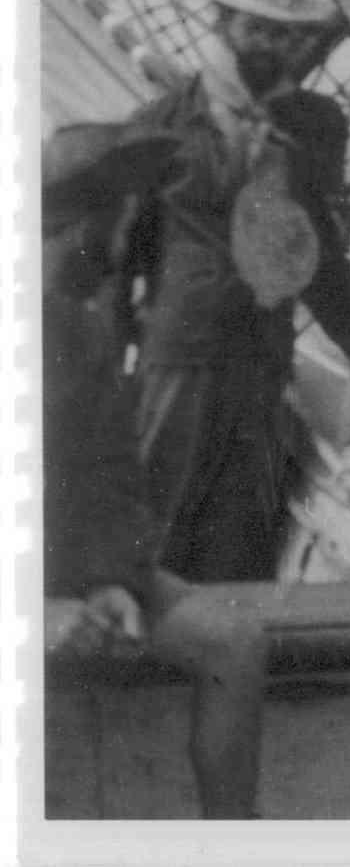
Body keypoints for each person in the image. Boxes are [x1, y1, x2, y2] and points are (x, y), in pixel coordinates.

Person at [107, 0, 350, 583]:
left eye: (285, 31)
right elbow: (114, 258)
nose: (271, 43)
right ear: (222, 21)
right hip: (179, 365)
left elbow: (316, 256)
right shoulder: (161, 126)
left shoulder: (305, 132)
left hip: (260, 367)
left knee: (240, 550)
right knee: (150, 539)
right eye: (257, 28)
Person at [42, 123, 267, 818]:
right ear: (73, 221)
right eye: (115, 212)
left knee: (235, 639)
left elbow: (112, 476)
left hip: (66, 569)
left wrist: (111, 579)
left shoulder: (80, 331)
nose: (126, 238)